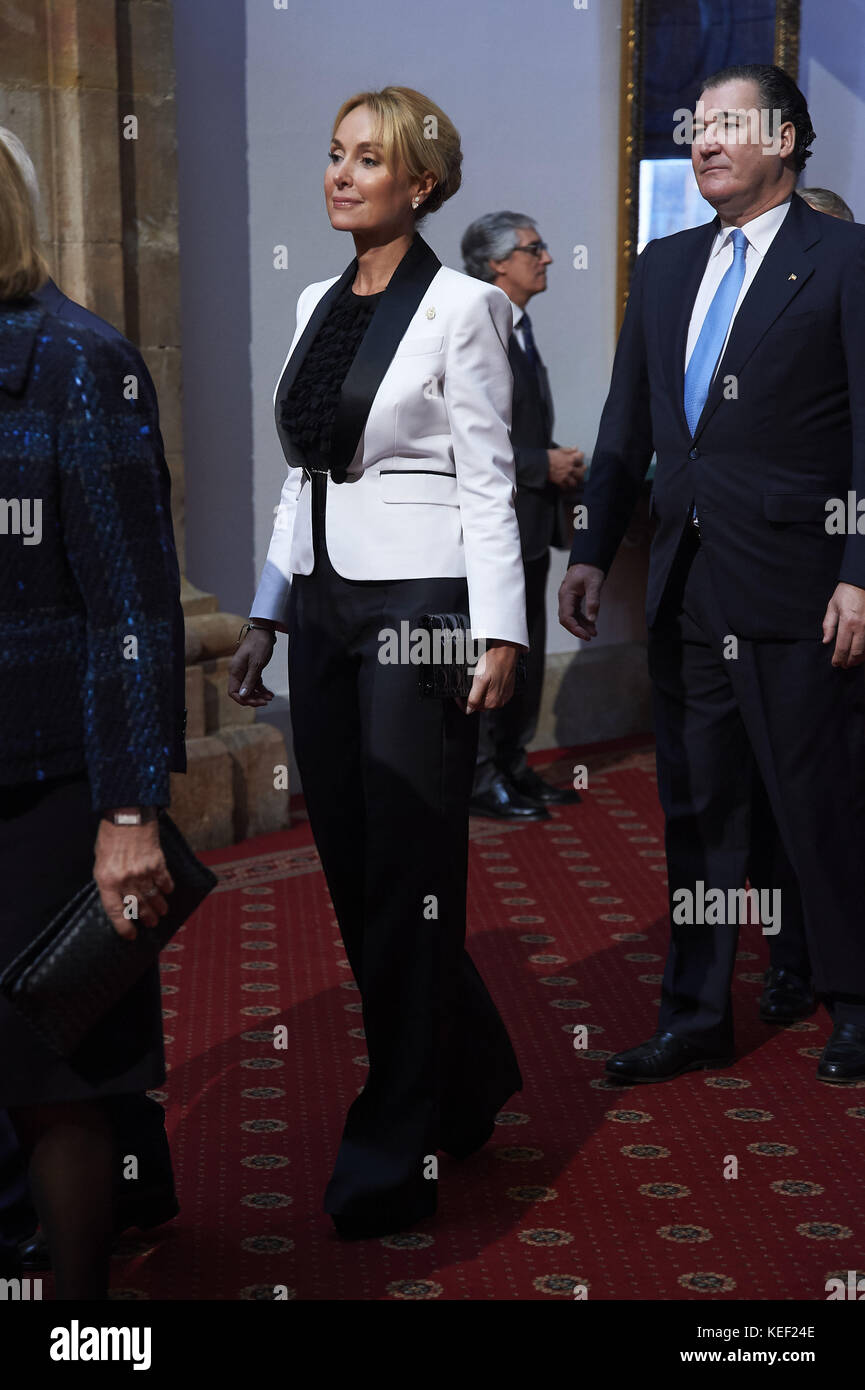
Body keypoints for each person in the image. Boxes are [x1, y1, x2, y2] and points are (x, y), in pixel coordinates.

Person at [229, 86, 527, 1239]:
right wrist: (266, 612)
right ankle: (471, 1065)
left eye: (370, 160)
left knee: (410, 866)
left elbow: (490, 476)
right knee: (356, 866)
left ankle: (395, 1137)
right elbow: (304, 469)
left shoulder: (463, 310)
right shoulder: (314, 298)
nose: (342, 174)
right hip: (324, 602)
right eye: (336, 154)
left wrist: (503, 631)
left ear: (420, 185)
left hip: (422, 607)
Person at [559, 64, 865, 1084]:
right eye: (695, 126)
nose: (703, 140)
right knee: (697, 813)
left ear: (785, 138)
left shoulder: (842, 260)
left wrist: (858, 572)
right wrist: (592, 549)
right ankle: (693, 1013)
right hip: (686, 588)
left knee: (817, 802)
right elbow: (625, 426)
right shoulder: (665, 264)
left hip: (800, 584)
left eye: (728, 124)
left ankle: (851, 997)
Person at [0, 140, 185, 1297]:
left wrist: (131, 810)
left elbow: (133, 607)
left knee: (56, 1071)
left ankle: (80, 1314)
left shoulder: (81, 362)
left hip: (51, 784)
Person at [462, 212, 585, 821]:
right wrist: (544, 464)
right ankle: (481, 776)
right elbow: (465, 439)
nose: (548, 258)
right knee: (492, 650)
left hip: (530, 524)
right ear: (495, 264)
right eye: (534, 249)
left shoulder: (521, 327)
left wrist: (554, 462)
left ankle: (512, 763)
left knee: (526, 650)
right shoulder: (477, 329)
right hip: (493, 526)